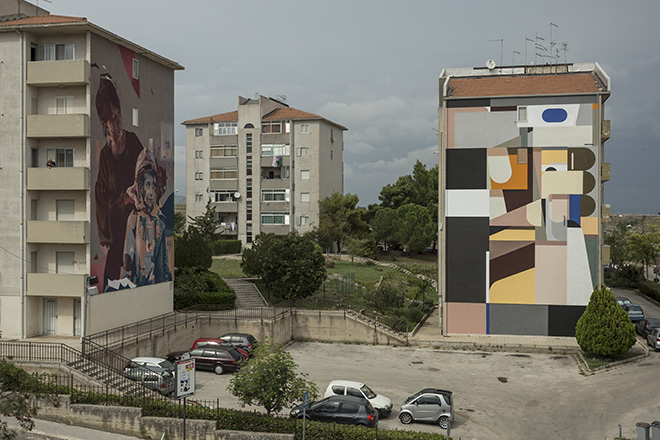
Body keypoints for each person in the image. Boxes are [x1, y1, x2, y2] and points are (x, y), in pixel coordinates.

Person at [94, 74, 144, 290]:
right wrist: (124, 197)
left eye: (118, 115)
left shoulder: (133, 142)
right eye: (111, 119)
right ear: (105, 124)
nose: (117, 121)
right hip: (117, 236)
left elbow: (146, 172)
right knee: (114, 282)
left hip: (138, 229)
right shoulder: (105, 157)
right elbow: (102, 202)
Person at [121, 149, 171, 286]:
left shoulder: (160, 221)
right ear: (140, 187)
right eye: (147, 185)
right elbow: (127, 257)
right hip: (138, 283)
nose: (151, 191)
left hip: (155, 284)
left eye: (153, 185)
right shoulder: (134, 218)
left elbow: (163, 262)